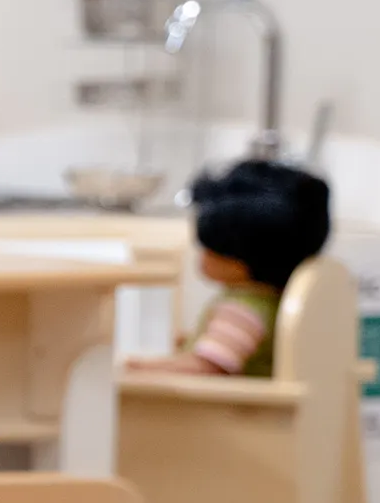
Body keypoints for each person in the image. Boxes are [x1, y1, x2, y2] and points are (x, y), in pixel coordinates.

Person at [128, 157, 332, 378]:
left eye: (209, 248)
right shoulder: (270, 302)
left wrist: (139, 368)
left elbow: (207, 367)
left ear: (240, 262)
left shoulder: (241, 311)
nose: (202, 255)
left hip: (225, 402)